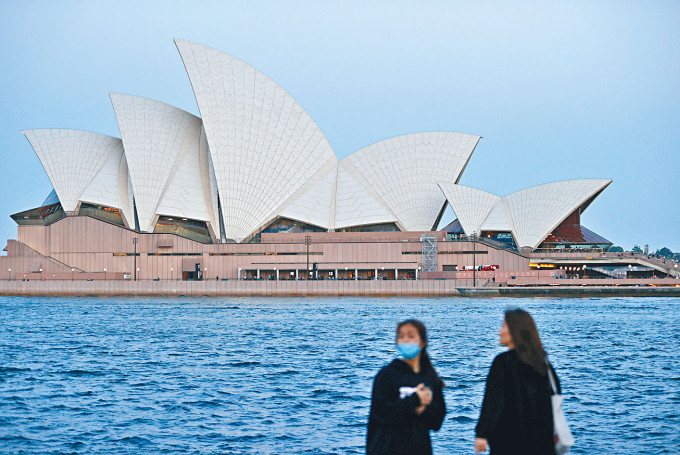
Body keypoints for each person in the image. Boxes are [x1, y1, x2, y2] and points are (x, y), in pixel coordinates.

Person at [475, 309, 560, 454]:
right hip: (541, 443)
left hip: (508, 441)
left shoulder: (503, 362)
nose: (499, 331)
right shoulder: (543, 364)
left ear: (514, 330)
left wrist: (482, 434)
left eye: (503, 326)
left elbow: (493, 401)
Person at [367, 319, 446, 455]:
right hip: (387, 448)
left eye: (411, 336)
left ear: (422, 342)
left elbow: (437, 422)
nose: (405, 340)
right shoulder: (387, 375)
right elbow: (381, 414)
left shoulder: (430, 377)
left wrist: (424, 409)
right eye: (401, 336)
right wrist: (415, 400)